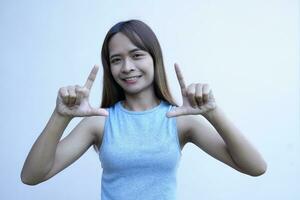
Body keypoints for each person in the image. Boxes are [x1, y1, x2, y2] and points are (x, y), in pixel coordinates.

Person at [21, 19, 267, 199]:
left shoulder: (179, 120)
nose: (127, 67)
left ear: (154, 59)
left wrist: (212, 112)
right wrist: (60, 116)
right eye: (116, 60)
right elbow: (32, 176)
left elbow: (255, 167)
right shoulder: (101, 122)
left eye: (136, 55)